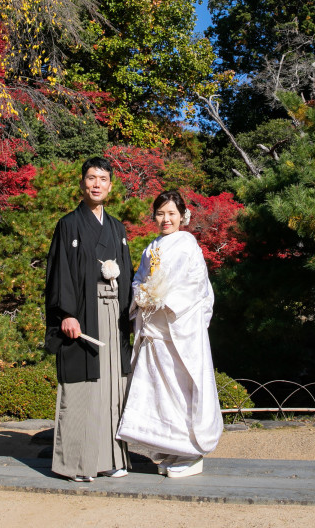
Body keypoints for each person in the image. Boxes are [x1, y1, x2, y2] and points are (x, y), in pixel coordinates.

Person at [116, 190, 223, 478]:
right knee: (159, 390)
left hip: (179, 328)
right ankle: (169, 447)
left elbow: (195, 285)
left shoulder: (188, 244)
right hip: (154, 329)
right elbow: (139, 279)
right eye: (161, 213)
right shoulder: (151, 247)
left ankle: (189, 450)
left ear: (182, 216)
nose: (166, 219)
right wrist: (143, 294)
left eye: (171, 213)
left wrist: (164, 297)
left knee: (180, 388)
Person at [44, 157, 134, 482]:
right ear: (82, 183)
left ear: (110, 185)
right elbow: (60, 272)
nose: (97, 184)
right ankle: (77, 465)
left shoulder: (117, 228)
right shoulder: (68, 224)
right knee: (83, 388)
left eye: (103, 179)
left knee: (112, 386)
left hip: (114, 315)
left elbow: (128, 278)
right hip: (83, 315)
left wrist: (132, 316)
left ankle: (110, 459)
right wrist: (66, 314)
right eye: (91, 178)